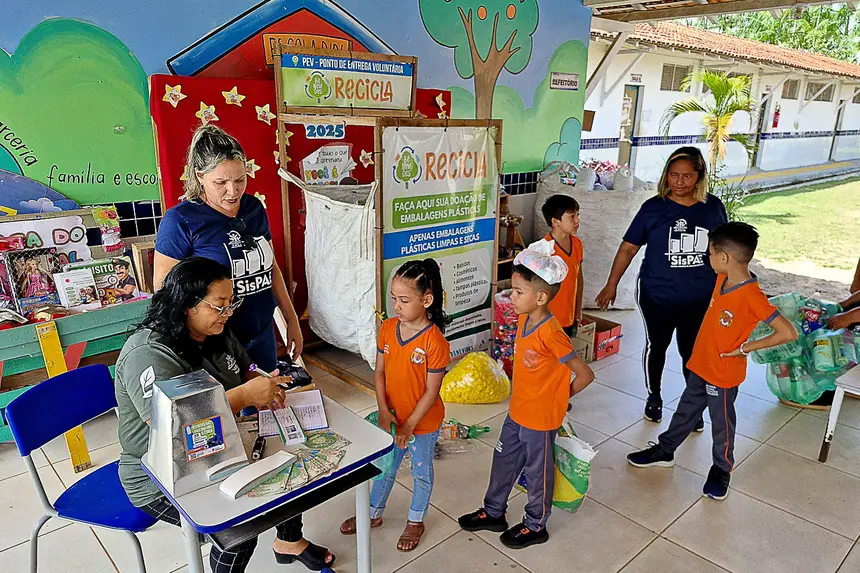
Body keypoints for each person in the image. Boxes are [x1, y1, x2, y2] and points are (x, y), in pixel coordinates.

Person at [114, 258, 334, 572]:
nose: (228, 313)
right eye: (219, 305)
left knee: (287, 462)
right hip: (161, 475)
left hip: (220, 449)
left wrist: (263, 380)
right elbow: (171, 427)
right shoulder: (149, 353)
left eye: (231, 303)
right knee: (238, 533)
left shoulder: (214, 328)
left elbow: (244, 368)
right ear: (187, 304)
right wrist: (245, 395)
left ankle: (288, 540)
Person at [627, 223, 797, 500]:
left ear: (725, 258)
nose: (708, 259)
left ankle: (721, 469)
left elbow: (787, 332)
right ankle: (664, 450)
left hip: (723, 374)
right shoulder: (722, 279)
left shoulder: (753, 297)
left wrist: (745, 348)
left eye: (710, 254)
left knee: (722, 425)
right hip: (701, 365)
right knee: (685, 412)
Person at [458, 242, 594, 549]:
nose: (512, 296)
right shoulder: (523, 318)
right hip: (518, 411)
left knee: (537, 473)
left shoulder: (552, 333)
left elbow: (585, 374)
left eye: (518, 291)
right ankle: (494, 512)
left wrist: (559, 399)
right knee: (503, 459)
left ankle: (535, 525)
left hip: (540, 418)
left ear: (541, 297)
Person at [153, 125, 302, 375]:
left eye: (240, 179)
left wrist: (291, 318)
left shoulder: (253, 208)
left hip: (261, 333)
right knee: (228, 409)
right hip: (215, 344)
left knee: (266, 403)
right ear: (200, 176)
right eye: (220, 182)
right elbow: (164, 291)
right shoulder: (181, 220)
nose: (233, 191)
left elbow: (270, 265)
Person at [596, 147, 728, 426]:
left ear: (699, 177)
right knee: (657, 346)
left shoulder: (713, 208)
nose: (679, 182)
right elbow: (628, 249)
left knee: (691, 351)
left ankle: (691, 408)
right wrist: (611, 284)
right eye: (673, 175)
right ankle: (653, 396)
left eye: (687, 176)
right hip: (657, 295)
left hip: (700, 297)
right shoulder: (653, 208)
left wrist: (730, 286)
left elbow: (725, 251)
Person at [339, 259, 450, 552]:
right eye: (393, 299)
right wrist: (386, 411)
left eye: (404, 300)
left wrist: (409, 425)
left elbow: (431, 391)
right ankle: (373, 514)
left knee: (421, 472)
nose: (396, 306)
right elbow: (379, 373)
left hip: (421, 423)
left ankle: (416, 521)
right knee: (385, 467)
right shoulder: (388, 329)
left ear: (427, 299)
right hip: (392, 417)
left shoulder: (435, 342)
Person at [538, 194, 584, 337]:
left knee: (564, 356)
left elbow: (578, 279)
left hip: (568, 317)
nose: (577, 220)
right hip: (547, 319)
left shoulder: (577, 244)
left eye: (578, 215)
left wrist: (578, 310)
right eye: (571, 216)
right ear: (555, 221)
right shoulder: (543, 250)